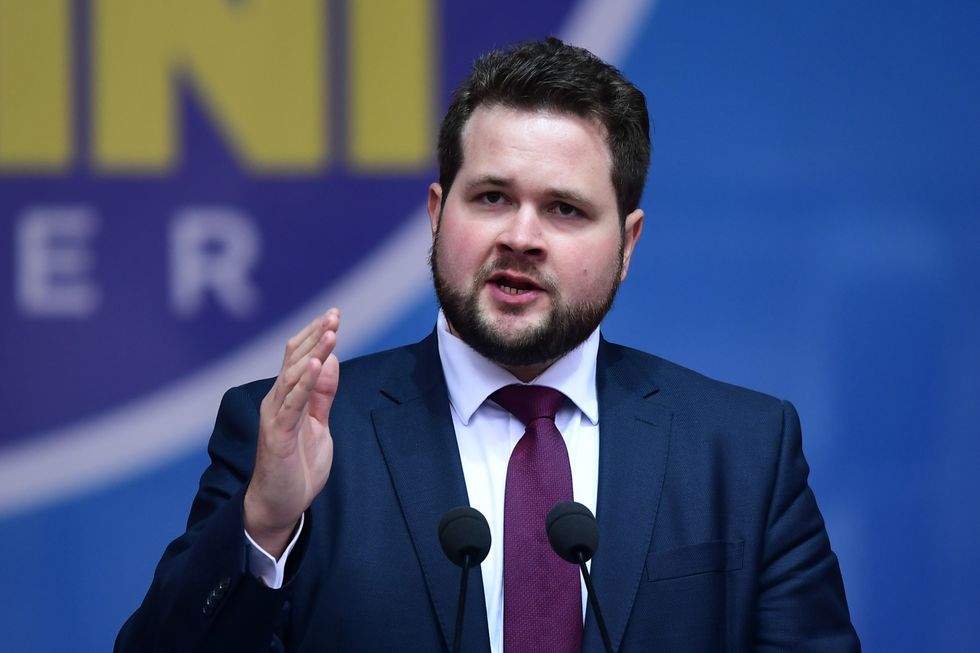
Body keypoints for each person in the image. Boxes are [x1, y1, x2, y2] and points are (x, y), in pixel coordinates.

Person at [116, 38, 860, 652]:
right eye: (492, 197)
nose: (521, 236)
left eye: (565, 209)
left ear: (628, 243)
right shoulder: (293, 436)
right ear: (438, 213)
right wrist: (264, 524)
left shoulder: (742, 450)